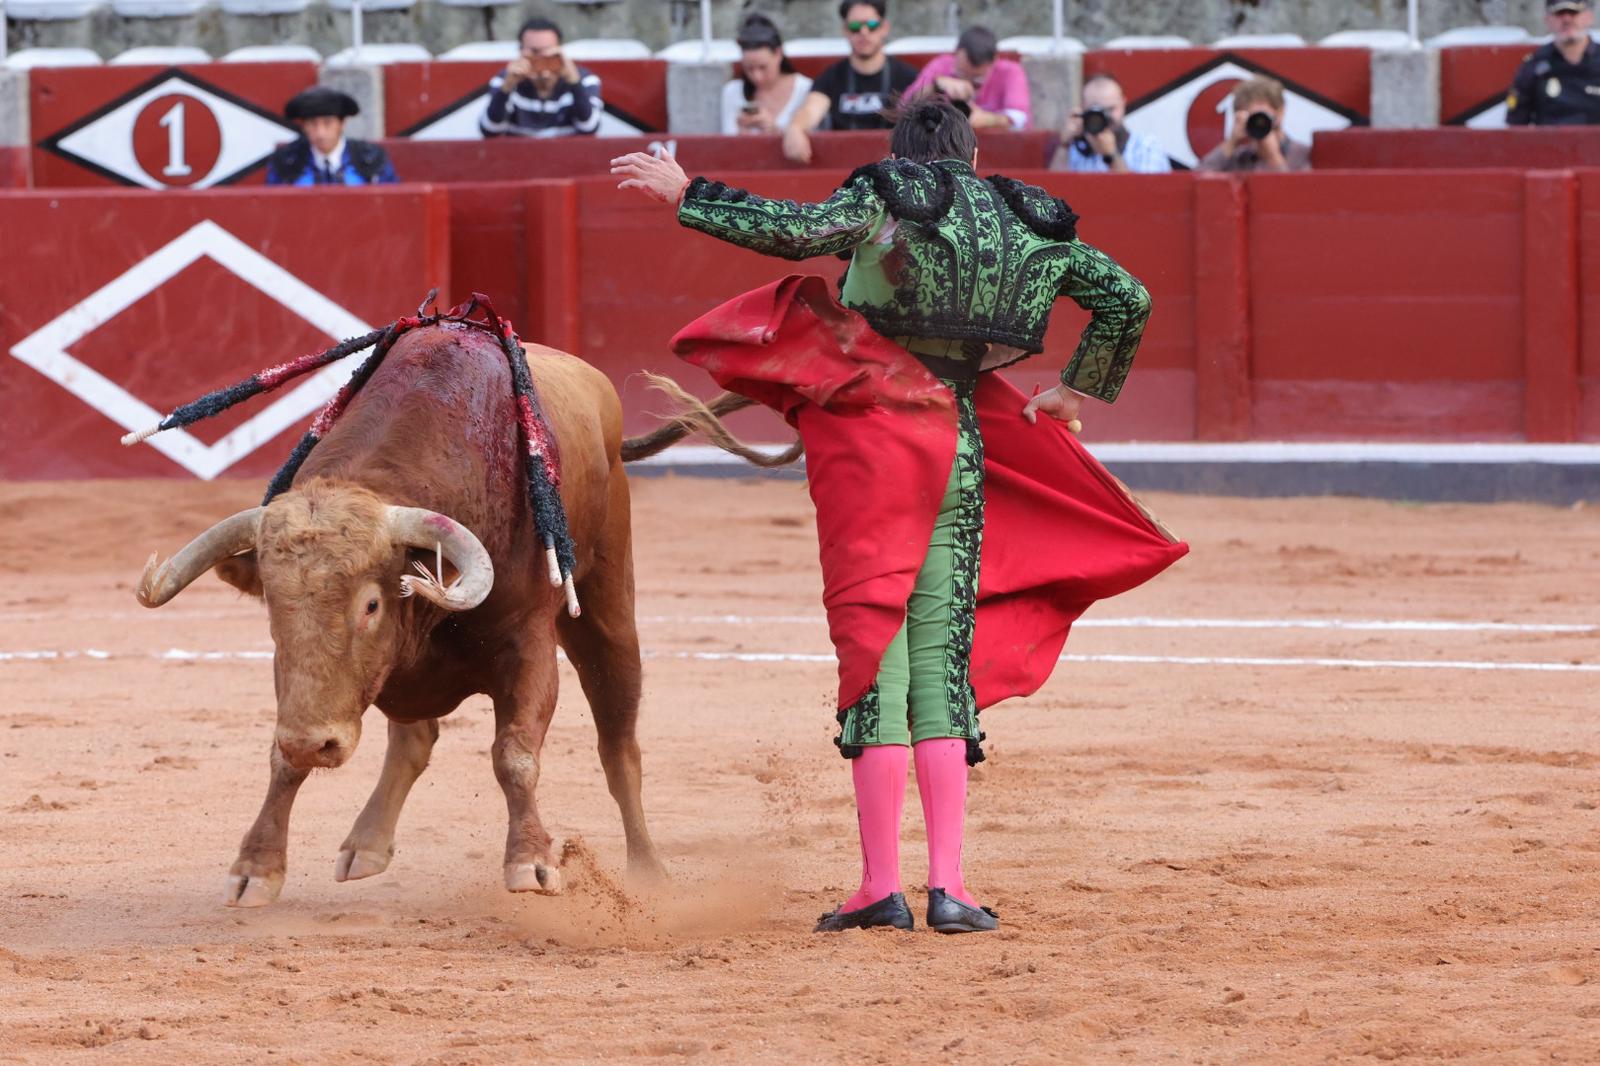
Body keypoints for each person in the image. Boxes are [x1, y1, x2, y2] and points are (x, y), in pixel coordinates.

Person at [612, 97, 1186, 935]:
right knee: (939, 656)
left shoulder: (890, 194)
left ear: (902, 153)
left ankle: (879, 886)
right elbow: (1127, 299)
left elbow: (798, 232)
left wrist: (686, 192)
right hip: (960, 441)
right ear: (974, 153)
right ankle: (950, 888)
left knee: (876, 656)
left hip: (873, 442)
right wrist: (1075, 390)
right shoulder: (1025, 218)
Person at [783, 0, 920, 163]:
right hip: (842, 168)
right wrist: (796, 128)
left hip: (894, 168)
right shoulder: (831, 76)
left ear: (884, 28)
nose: (863, 32)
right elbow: (812, 109)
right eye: (855, 27)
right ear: (845, 31)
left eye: (871, 25)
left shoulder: (907, 77)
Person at [479, 17, 602, 139]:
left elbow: (589, 128)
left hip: (569, 156)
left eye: (549, 53)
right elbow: (490, 131)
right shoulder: (504, 80)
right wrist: (507, 87)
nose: (541, 59)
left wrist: (574, 82)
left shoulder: (585, 80)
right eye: (534, 52)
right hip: (516, 156)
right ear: (521, 51)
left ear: (560, 51)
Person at [902, 25, 1030, 130]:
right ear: (956, 53)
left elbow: (1019, 119)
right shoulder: (941, 65)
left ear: (994, 60)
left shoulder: (1010, 72)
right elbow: (903, 107)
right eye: (962, 74)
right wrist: (935, 87)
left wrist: (987, 119)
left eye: (977, 79)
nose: (968, 85)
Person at [266, 86, 397, 186]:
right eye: (312, 124)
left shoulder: (371, 159)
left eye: (327, 123)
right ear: (304, 126)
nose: (320, 133)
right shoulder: (285, 163)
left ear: (342, 124)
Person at [1049, 72, 1170, 174]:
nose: (1104, 117)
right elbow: (1052, 193)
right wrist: (1064, 145)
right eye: (1097, 110)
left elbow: (1143, 195)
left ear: (1123, 104)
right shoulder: (1075, 148)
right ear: (1083, 109)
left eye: (1110, 109)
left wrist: (1112, 156)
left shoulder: (1146, 146)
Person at [1507, 0, 1600, 125]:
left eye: (1573, 12)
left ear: (1589, 17)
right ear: (1547, 20)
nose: (1567, 19)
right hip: (1549, 143)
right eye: (1559, 13)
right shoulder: (1534, 65)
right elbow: (1516, 123)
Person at [720, 13, 814, 136]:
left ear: (778, 54)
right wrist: (742, 132)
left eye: (763, 67)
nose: (756, 76)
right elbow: (726, 144)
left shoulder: (805, 89)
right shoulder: (732, 91)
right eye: (749, 68)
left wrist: (775, 131)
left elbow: (814, 139)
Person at [1196, 75, 1310, 173]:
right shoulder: (1238, 157)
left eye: (1263, 115)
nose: (1258, 122)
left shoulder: (1304, 155)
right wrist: (1231, 142)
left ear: (1280, 112)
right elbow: (1196, 182)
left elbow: (1298, 194)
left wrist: (1273, 157)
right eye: (1252, 117)